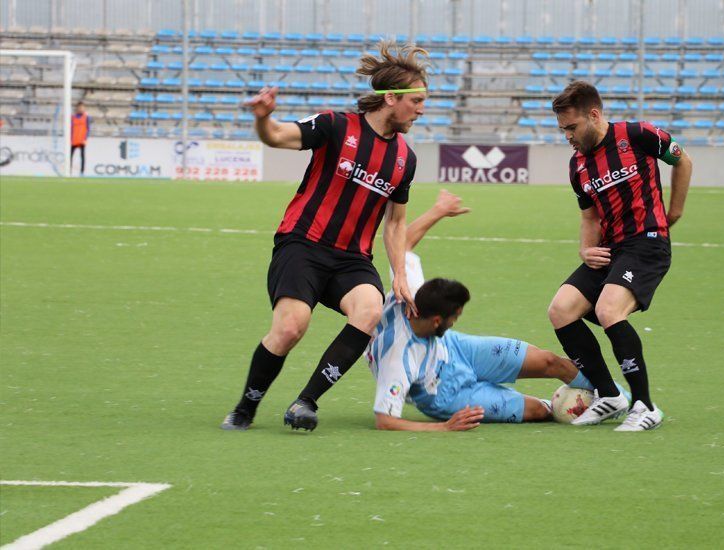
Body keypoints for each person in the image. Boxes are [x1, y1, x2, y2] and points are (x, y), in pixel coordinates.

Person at [221, 41, 428, 432]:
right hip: (302, 244)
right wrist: (264, 119)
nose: (421, 108)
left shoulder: (405, 159)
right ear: (390, 99)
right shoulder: (336, 125)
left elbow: (396, 223)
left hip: (352, 260)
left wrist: (399, 274)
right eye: (415, 100)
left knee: (369, 310)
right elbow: (278, 136)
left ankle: (306, 402)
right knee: (290, 328)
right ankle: (246, 407)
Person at [369, 190, 621, 431]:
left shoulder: (410, 291)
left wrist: (439, 210)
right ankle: (560, 405)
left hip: (456, 349)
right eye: (455, 316)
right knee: (539, 412)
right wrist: (443, 427)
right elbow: (385, 421)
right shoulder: (397, 359)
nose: (457, 320)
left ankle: (617, 398)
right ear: (437, 320)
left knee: (550, 362)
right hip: (445, 393)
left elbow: (403, 247)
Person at [546, 81, 692, 432]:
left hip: (647, 243)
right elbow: (589, 215)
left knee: (608, 310)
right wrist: (585, 249)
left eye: (571, 127)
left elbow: (682, 160)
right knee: (561, 310)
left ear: (593, 115)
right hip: (611, 250)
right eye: (562, 129)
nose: (566, 135)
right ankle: (609, 395)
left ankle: (644, 406)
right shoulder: (577, 165)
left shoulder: (639, 134)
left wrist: (674, 212)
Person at [70, 101, 90, 176]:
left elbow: (88, 128)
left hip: (82, 140)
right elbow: (71, 128)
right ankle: (69, 171)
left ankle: (82, 172)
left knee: (82, 156)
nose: (81, 109)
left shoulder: (86, 117)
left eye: (82, 107)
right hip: (74, 140)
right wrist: (70, 138)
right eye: (79, 107)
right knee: (70, 156)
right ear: (77, 108)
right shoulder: (73, 117)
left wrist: (85, 138)